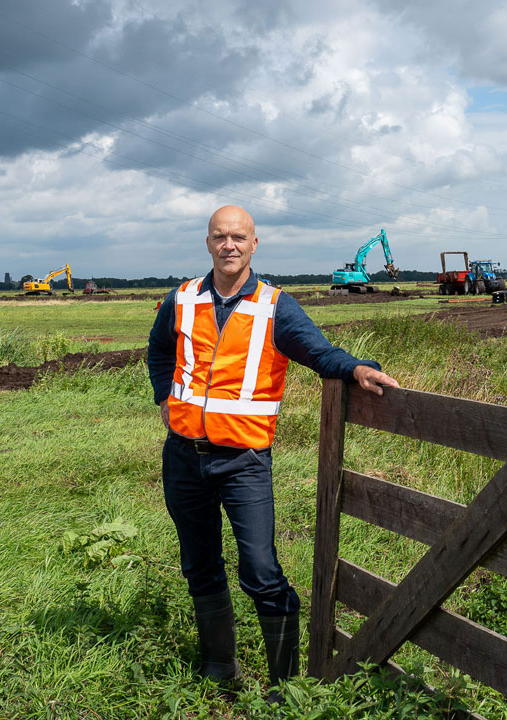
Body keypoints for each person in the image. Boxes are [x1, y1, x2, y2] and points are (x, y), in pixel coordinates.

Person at [146, 205, 398, 697]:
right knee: (199, 563)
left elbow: (318, 351)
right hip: (183, 457)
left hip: (243, 462)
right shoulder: (180, 300)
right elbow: (158, 351)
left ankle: (285, 688)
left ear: (254, 244)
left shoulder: (274, 305)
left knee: (261, 570)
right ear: (208, 243)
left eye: (239, 237)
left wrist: (356, 369)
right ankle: (221, 671)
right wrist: (163, 396)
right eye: (220, 237)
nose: (229, 245)